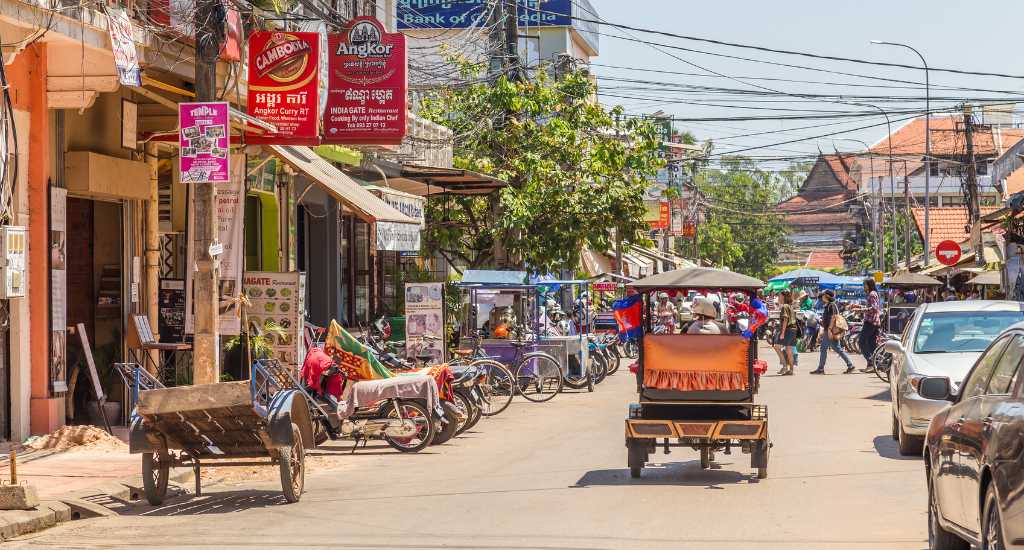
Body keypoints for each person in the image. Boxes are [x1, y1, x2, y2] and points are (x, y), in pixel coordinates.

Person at [810, 290, 855, 374]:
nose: (822, 297)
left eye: (823, 295)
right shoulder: (828, 305)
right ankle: (850, 365)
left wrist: (829, 330)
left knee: (824, 348)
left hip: (830, 330)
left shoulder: (831, 305)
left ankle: (821, 368)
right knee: (836, 348)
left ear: (827, 296)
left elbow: (833, 318)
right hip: (828, 329)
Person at [849, 278, 882, 373]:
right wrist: (858, 307)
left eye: (865, 285)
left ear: (869, 285)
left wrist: (860, 310)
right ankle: (875, 365)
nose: (864, 287)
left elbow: (874, 308)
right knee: (871, 345)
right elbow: (870, 307)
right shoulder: (873, 294)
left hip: (871, 322)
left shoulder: (872, 294)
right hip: (874, 322)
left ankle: (871, 363)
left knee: (861, 342)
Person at [774, 290, 798, 375]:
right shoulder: (790, 306)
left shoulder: (785, 306)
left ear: (783, 297)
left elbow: (785, 319)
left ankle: (784, 367)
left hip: (787, 330)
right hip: (793, 330)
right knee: (789, 350)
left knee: (777, 347)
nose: (778, 298)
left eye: (780, 296)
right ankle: (791, 370)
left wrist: (782, 333)